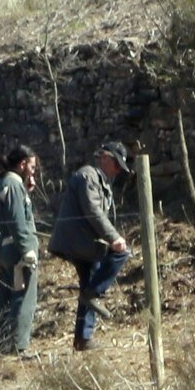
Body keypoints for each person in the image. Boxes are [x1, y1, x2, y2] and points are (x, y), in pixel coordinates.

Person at [52, 142, 136, 352]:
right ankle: (93, 297)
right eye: (116, 164)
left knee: (89, 282)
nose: (118, 171)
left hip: (83, 240)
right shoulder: (88, 176)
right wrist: (114, 238)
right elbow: (93, 211)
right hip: (79, 241)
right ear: (105, 158)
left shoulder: (99, 180)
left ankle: (83, 338)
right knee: (122, 253)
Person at [0, 144, 43, 358]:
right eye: (32, 167)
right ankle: (20, 347)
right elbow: (18, 220)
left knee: (6, 298)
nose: (33, 172)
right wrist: (28, 248)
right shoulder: (13, 184)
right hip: (18, 250)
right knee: (23, 297)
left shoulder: (0, 184)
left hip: (3, 248)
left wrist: (26, 194)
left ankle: (2, 345)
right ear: (22, 164)